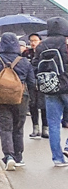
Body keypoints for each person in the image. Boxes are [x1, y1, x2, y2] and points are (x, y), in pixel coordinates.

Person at [0, 32, 36, 170]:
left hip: (1, 98)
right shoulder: (24, 61)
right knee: (18, 128)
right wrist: (31, 100)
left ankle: (8, 156)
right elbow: (32, 82)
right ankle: (18, 157)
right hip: (21, 98)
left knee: (5, 127)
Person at [35, 18, 68, 168]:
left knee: (53, 124)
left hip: (50, 88)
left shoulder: (42, 46)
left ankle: (57, 159)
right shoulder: (66, 44)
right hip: (67, 86)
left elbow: (35, 66)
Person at [23, 34, 48, 138]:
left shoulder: (44, 53)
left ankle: (45, 129)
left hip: (43, 81)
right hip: (31, 82)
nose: (33, 43)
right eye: (31, 41)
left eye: (35, 40)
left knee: (44, 105)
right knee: (32, 104)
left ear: (40, 41)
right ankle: (35, 128)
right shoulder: (26, 53)